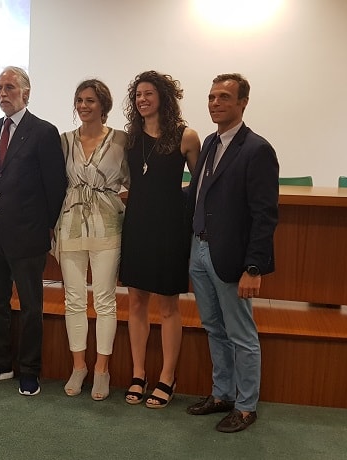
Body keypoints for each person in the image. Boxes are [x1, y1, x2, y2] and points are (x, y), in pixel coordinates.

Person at [186, 73, 278, 433]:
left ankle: (245, 406)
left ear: (242, 103)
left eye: (224, 97)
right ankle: (222, 394)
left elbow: (265, 214)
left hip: (231, 257)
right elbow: (199, 194)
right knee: (214, 327)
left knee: (241, 333)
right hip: (200, 250)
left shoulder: (257, 149)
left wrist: (254, 266)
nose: (215, 103)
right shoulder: (210, 141)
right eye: (211, 97)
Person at [0, 66, 67, 396]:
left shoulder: (43, 131)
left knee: (30, 307)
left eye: (10, 87)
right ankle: (0, 364)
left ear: (26, 93)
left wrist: (45, 227)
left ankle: (30, 370)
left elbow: (55, 186)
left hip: (28, 235)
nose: (3, 93)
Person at [119, 71, 201, 408]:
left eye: (149, 93)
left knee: (168, 306)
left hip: (169, 228)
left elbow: (200, 186)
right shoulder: (129, 139)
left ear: (164, 97)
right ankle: (138, 374)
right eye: (137, 95)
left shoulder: (186, 136)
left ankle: (167, 376)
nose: (142, 100)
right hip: (136, 225)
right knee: (136, 302)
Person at [55, 79, 129, 400]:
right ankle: (78, 365)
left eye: (91, 100)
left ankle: (102, 368)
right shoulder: (64, 141)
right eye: (80, 100)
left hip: (108, 223)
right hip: (70, 222)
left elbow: (136, 179)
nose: (84, 106)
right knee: (73, 298)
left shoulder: (122, 140)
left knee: (104, 299)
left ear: (103, 105)